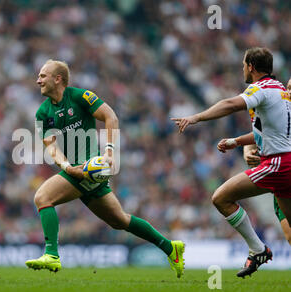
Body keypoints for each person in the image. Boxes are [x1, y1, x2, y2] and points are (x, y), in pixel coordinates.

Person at [25, 59, 185, 278]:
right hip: (76, 170)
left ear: (57, 78)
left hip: (93, 168)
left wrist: (109, 151)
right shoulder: (42, 113)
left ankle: (51, 254)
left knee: (42, 197)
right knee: (119, 220)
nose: (38, 80)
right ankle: (171, 248)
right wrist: (67, 167)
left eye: (43, 76)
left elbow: (110, 116)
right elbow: (50, 146)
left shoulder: (81, 96)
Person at [171, 47, 291, 278]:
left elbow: (230, 104)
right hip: (284, 163)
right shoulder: (282, 91)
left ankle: (258, 250)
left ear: (251, 67)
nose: (242, 69)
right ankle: (258, 250)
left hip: (277, 164)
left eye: (243, 65)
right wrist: (237, 142)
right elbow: (269, 133)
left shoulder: (261, 88)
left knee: (221, 198)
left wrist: (196, 117)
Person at [241, 77, 291, 245]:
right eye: (288, 89)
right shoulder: (278, 113)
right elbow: (256, 134)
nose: (289, 93)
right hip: (281, 178)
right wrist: (247, 151)